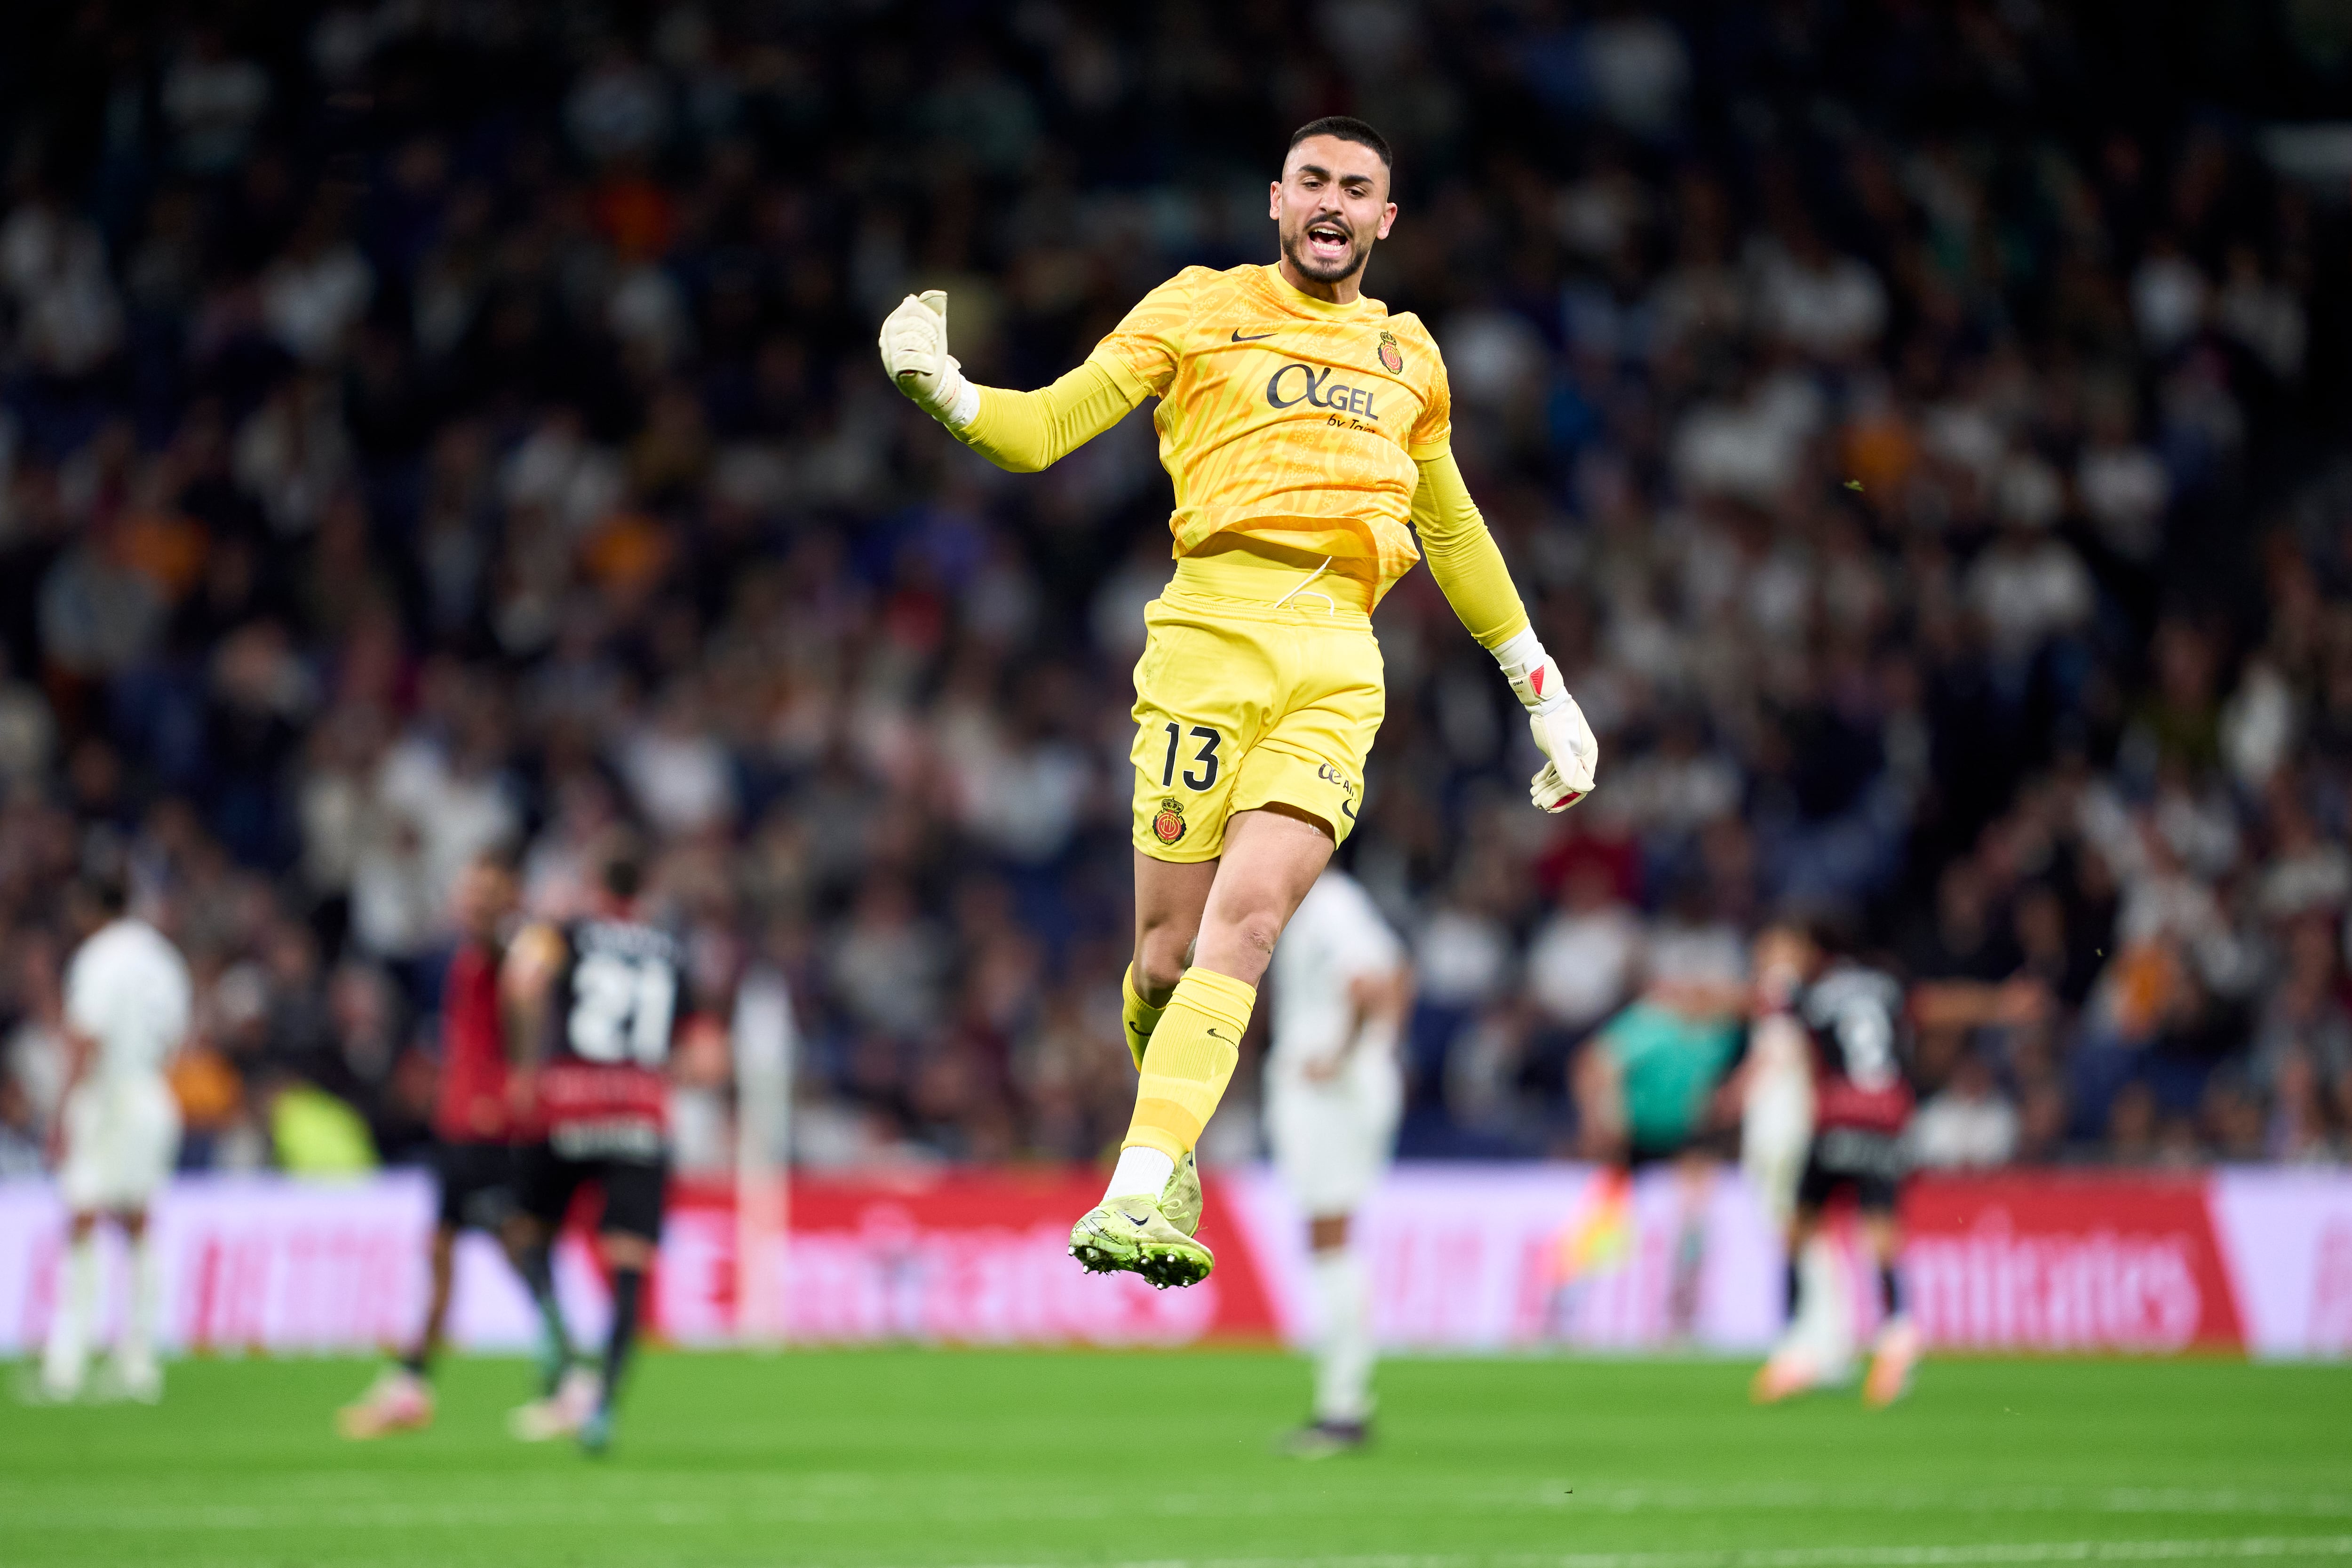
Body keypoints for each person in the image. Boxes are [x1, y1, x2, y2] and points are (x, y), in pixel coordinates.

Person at [879, 116, 1597, 1286]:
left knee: (1249, 922)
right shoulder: (1197, 306)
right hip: (1207, 640)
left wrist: (1542, 690)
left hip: (1336, 659)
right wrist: (945, 390)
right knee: (1165, 960)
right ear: (1276, 199)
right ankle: (1170, 1153)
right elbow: (1045, 428)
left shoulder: (1410, 357)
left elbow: (1454, 530)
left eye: (1354, 188)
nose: (1331, 202)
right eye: (1312, 180)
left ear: (1383, 219)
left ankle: (1133, 1183)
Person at [500, 832, 681, 1455]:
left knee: (523, 1228)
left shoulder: (567, 931)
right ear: (644, 889)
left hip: (567, 1104)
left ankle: (552, 1321)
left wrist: (525, 1067)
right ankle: (603, 1405)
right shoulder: (670, 948)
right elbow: (704, 1050)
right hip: (640, 1115)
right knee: (629, 1266)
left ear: (596, 884)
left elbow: (522, 982)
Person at [338, 848, 526, 1438]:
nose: (471, 901)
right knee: (448, 1253)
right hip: (459, 1126)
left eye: (484, 892)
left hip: (489, 1128)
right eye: (468, 890)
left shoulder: (505, 958)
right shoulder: (465, 960)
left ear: (507, 898)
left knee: (517, 1250)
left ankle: (570, 1373)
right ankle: (411, 1385)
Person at [1263, 867, 1411, 1457]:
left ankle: (1343, 1406)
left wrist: (1343, 1057)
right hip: (1346, 1086)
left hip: (1330, 1092)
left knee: (1330, 1237)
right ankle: (1343, 1399)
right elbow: (1397, 972)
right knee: (1329, 1236)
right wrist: (1381, 1048)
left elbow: (1368, 984)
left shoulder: (1326, 907)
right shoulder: (1338, 904)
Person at [1748, 919, 1920, 1408]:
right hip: (1887, 1116)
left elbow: (1778, 1022)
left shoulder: (1813, 993)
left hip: (1839, 1115)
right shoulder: (1887, 986)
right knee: (1881, 1233)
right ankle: (1897, 1332)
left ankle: (1792, 1347)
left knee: (1797, 1231)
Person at [36, 867, 192, 1404]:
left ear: (90, 908)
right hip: (152, 1092)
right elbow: (175, 1036)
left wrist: (63, 1109)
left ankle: (67, 1362)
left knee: (82, 1218)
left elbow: (87, 1036)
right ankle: (138, 1362)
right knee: (140, 1221)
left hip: (106, 1094)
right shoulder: (164, 959)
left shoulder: (98, 958)